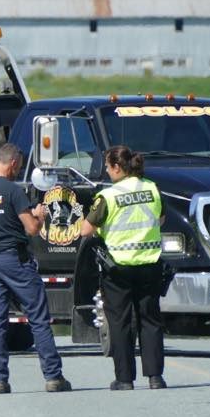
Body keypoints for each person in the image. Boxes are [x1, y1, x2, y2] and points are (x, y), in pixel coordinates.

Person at [0, 143, 72, 395]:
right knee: (38, 318)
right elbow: (31, 229)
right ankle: (53, 377)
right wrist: (39, 215)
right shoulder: (13, 191)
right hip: (16, 261)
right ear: (14, 164)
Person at [80, 145, 167, 390]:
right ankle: (155, 377)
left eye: (108, 167)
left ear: (117, 167)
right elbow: (160, 219)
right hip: (149, 263)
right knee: (150, 321)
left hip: (118, 267)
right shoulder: (152, 188)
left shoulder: (108, 196)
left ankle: (125, 379)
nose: (107, 172)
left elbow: (86, 230)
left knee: (119, 322)